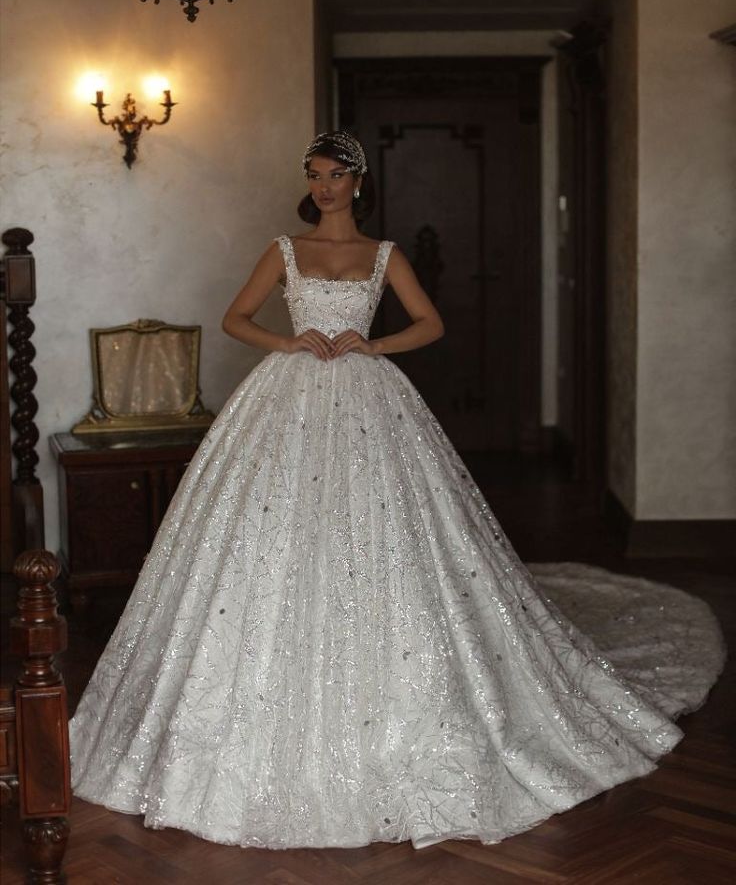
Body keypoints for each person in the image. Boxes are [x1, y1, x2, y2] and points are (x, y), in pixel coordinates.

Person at [70, 131, 725, 850]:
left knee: (388, 536)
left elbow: (432, 324)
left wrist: (373, 344)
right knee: (270, 534)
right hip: (285, 399)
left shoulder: (384, 255)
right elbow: (235, 318)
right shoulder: (285, 250)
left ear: (359, 180)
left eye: (336, 175)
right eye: (314, 174)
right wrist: (289, 341)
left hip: (368, 399)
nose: (324, 186)